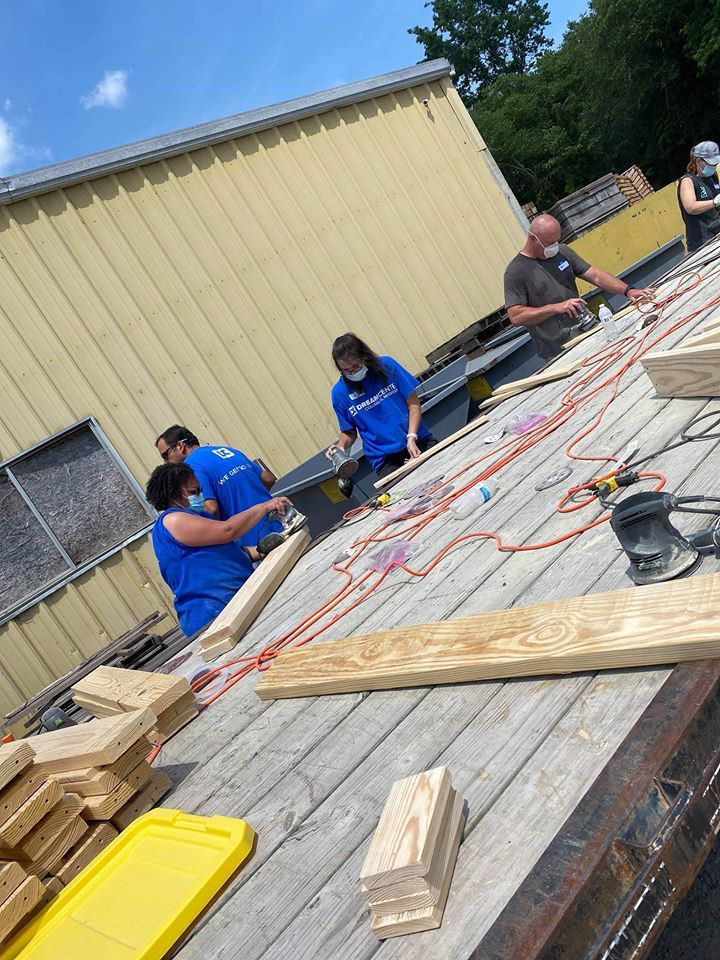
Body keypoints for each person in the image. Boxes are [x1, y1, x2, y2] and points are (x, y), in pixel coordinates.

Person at [145, 462, 291, 637]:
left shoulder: (201, 516)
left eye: (200, 490)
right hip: (213, 617)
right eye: (193, 492)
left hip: (237, 604)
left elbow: (236, 553)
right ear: (173, 495)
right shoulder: (173, 520)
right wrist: (264, 507)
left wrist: (269, 546)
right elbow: (227, 531)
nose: (200, 496)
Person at [503, 213, 652, 361]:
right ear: (532, 238)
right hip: (560, 350)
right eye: (549, 243)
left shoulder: (563, 252)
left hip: (587, 329)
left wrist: (628, 290)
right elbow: (516, 316)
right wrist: (554, 308)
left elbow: (595, 275)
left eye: (556, 241)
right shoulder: (516, 272)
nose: (554, 247)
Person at [325, 333, 437, 479]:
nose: (352, 373)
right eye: (346, 371)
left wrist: (411, 437)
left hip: (418, 440)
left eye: (356, 366)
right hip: (385, 461)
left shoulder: (387, 366)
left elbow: (414, 403)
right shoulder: (339, 393)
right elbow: (349, 432)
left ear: (364, 357)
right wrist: (340, 447)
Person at [155, 425, 280, 551]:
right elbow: (268, 479)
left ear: (180, 446)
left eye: (165, 455)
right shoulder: (228, 451)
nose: (166, 462)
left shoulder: (190, 467)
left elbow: (211, 509)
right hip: (279, 523)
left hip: (256, 542)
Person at [677, 141, 720, 252]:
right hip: (701, 244)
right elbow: (690, 207)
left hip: (716, 237)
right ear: (698, 161)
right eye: (710, 163)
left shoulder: (712, 176)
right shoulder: (688, 181)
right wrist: (714, 202)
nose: (714, 166)